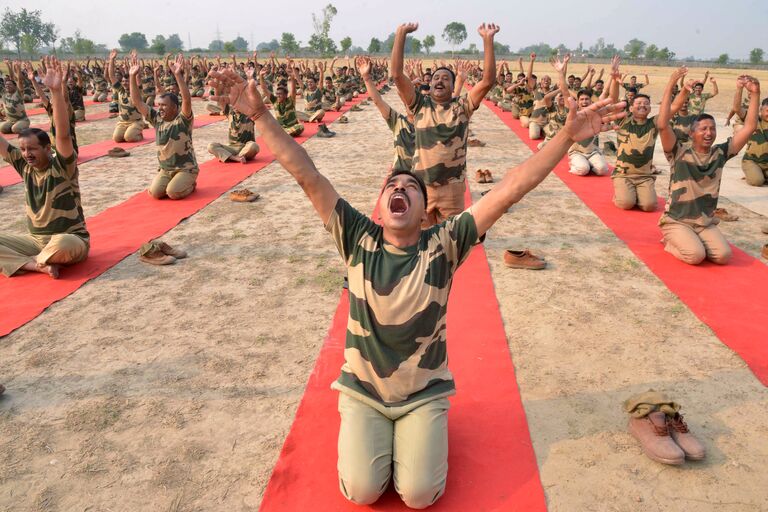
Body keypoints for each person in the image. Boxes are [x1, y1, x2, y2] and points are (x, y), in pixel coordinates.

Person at [206, 65, 624, 510]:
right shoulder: (357, 237)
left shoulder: (443, 244)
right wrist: (261, 117)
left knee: (419, 496)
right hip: (364, 390)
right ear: (381, 208)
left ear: (426, 211)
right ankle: (378, 429)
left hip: (424, 391)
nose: (401, 186)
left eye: (412, 186)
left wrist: (565, 137)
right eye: (393, 185)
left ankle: (427, 424)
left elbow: (509, 190)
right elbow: (307, 174)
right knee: (365, 492)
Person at [391, 22, 499, 226]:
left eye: (445, 79)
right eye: (436, 78)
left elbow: (487, 81)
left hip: (452, 189)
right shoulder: (419, 105)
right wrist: (401, 34)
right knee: (420, 241)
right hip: (421, 187)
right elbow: (396, 74)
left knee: (450, 243)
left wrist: (488, 40)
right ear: (430, 85)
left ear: (453, 85)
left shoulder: (463, 106)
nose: (439, 81)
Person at [656, 68, 760, 265]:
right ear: (692, 132)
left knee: (723, 256)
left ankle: (692, 240)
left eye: (712, 129)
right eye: (703, 129)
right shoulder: (679, 151)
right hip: (678, 220)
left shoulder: (720, 154)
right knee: (695, 256)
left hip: (704, 222)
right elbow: (662, 125)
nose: (709, 133)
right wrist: (672, 84)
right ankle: (669, 239)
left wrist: (755, 93)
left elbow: (749, 127)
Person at [0, 56, 89, 279]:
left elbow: (63, 134)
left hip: (70, 239)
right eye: (22, 149)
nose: (26, 154)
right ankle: (37, 265)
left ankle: (35, 261)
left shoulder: (62, 166)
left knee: (62, 243)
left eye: (32, 149)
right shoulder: (24, 166)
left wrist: (57, 93)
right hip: (35, 242)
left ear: (48, 149)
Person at [128, 52, 199, 200]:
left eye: (164, 105)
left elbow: (186, 99)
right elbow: (137, 102)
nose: (160, 108)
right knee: (156, 193)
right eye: (158, 105)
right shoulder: (156, 119)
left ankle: (191, 184)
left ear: (174, 107)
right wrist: (132, 77)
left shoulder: (183, 120)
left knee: (173, 193)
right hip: (166, 170)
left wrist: (178, 74)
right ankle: (173, 182)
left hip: (185, 169)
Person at [609, 56, 661, 211]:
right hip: (623, 174)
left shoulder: (654, 123)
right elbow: (613, 101)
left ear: (650, 108)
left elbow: (670, 110)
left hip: (644, 175)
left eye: (646, 104)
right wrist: (613, 79)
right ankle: (621, 193)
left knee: (649, 206)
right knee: (626, 204)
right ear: (631, 108)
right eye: (638, 103)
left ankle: (639, 192)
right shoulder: (624, 120)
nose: (642, 106)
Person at [357, 56, 414, 174]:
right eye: (409, 102)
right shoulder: (399, 121)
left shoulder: (430, 124)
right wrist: (366, 78)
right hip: (400, 175)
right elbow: (378, 101)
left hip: (422, 178)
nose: (412, 106)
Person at [731, 86, 768, 186]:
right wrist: (739, 88)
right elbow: (737, 108)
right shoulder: (754, 120)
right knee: (757, 181)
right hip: (752, 161)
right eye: (767, 111)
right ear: (761, 109)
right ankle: (755, 174)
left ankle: (761, 174)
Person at [106, 49, 144, 143]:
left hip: (136, 121)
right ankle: (130, 131)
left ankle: (139, 134)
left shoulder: (136, 90)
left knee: (129, 138)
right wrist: (111, 60)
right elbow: (111, 76)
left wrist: (135, 61)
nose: (124, 83)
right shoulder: (120, 90)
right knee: (117, 139)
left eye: (127, 81)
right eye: (123, 81)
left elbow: (138, 77)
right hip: (123, 122)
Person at [1, 61, 30, 134]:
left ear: (15, 86)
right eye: (6, 85)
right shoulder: (4, 93)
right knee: (2, 129)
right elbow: (10, 78)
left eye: (10, 85)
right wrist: (8, 65)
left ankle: (23, 126)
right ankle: (15, 126)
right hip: (10, 121)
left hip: (22, 120)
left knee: (15, 129)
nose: (7, 86)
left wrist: (18, 68)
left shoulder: (18, 93)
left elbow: (19, 80)